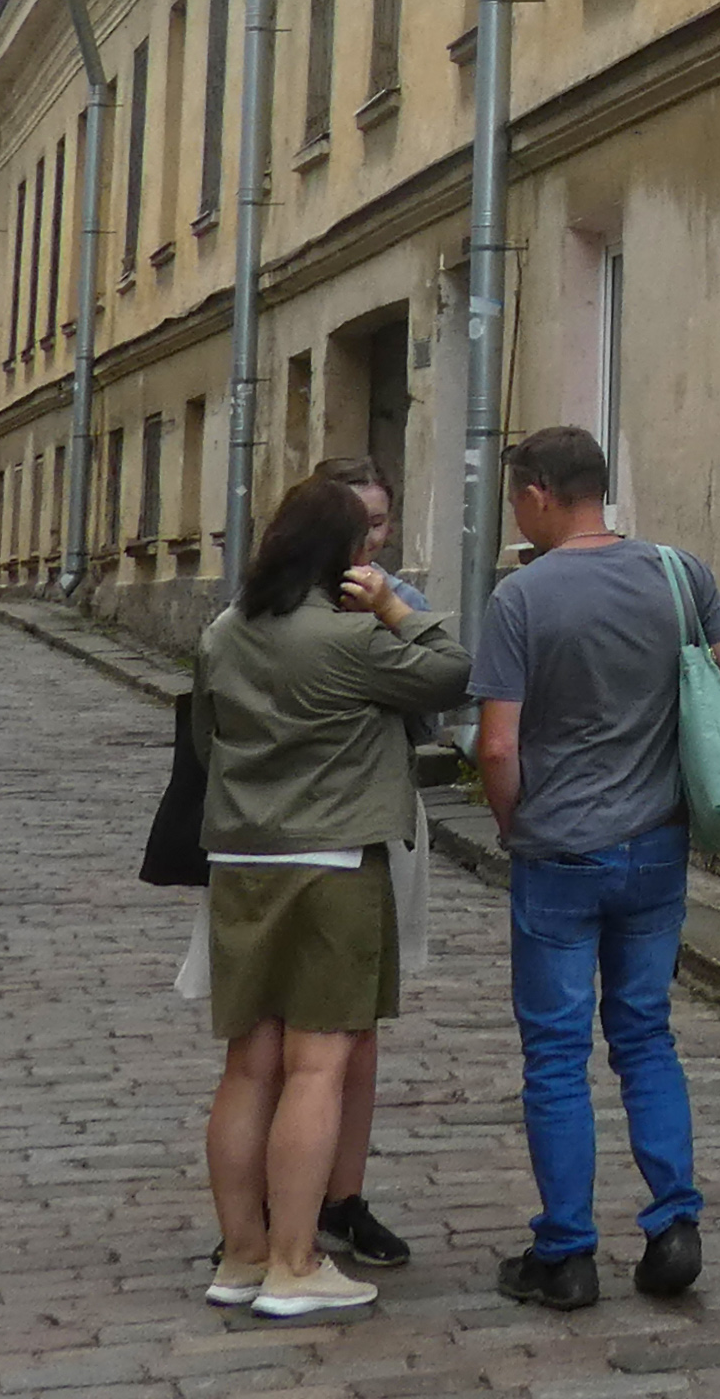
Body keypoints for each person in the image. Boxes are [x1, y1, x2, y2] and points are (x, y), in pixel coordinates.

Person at [470, 424, 720, 1310]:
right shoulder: (680, 574)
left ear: (539, 494)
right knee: (644, 1035)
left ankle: (566, 1253)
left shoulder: (521, 600)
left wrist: (516, 820)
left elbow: (498, 745)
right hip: (656, 848)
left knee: (556, 1054)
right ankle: (673, 1223)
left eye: (517, 497)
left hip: (558, 850)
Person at [194, 472, 468, 1321]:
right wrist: (392, 605)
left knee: (248, 1065)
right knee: (319, 1065)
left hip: (241, 860)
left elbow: (207, 738)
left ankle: (240, 1253)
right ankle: (296, 1260)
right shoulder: (352, 641)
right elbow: (451, 671)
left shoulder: (225, 634)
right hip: (333, 864)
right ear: (345, 558)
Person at [304, 455, 423, 1277]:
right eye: (352, 525)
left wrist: (393, 616)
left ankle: (343, 1200)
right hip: (283, 837)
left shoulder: (398, 603)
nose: (366, 542)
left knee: (361, 1027)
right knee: (275, 1036)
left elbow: (440, 695)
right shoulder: (265, 605)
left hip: (378, 825)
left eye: (377, 525)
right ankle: (274, 1207)